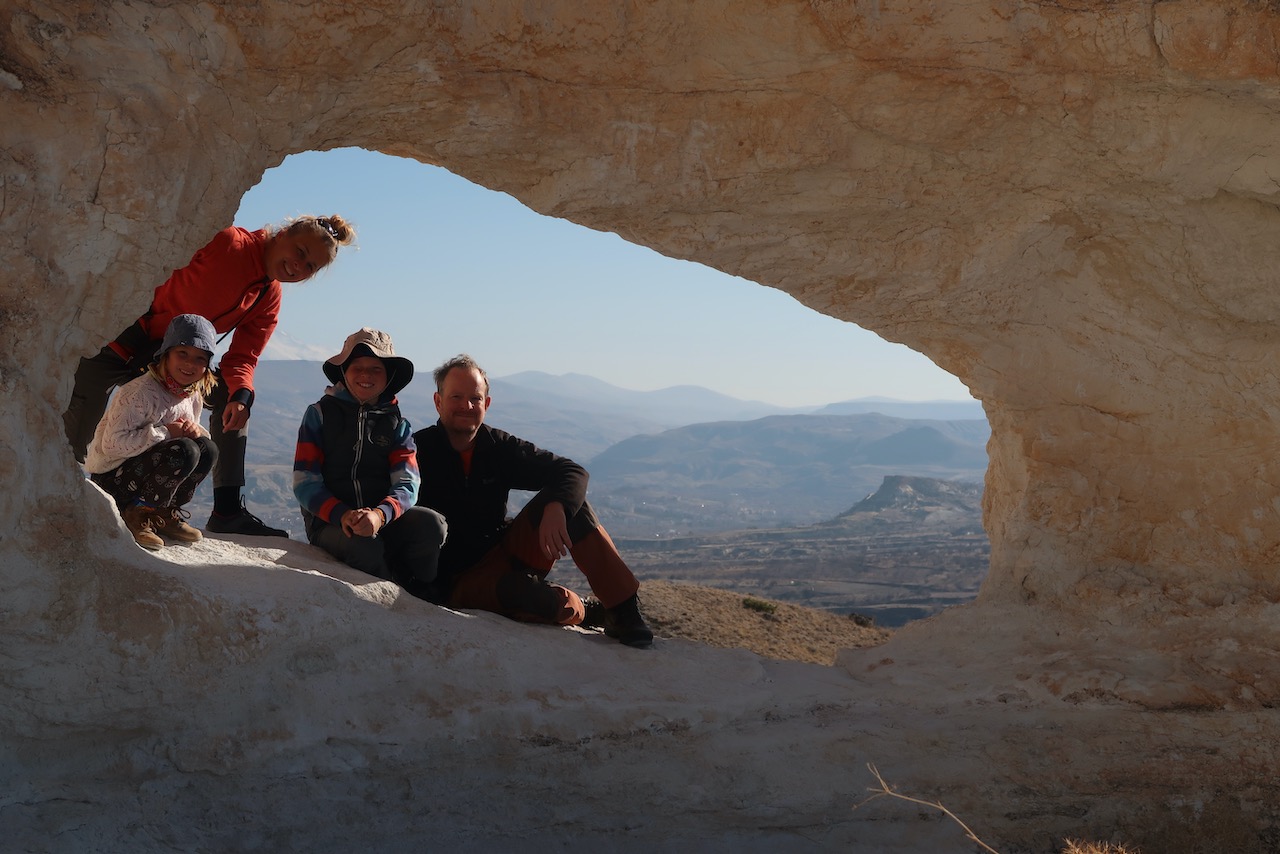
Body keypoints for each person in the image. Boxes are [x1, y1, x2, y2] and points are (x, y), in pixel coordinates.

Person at [63, 214, 357, 537]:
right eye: (301, 252)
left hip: (182, 361)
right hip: (130, 338)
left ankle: (227, 510)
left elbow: (243, 358)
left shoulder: (268, 296)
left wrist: (242, 395)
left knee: (234, 401)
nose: (298, 267)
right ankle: (61, 488)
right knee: (79, 408)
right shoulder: (227, 243)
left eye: (310, 267)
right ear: (283, 233)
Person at [412, 354, 654, 648]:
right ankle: (584, 609)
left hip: (504, 551)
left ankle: (622, 610)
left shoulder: (498, 446)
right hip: (459, 582)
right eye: (456, 397)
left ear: (486, 405)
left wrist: (557, 506)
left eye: (475, 398)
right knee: (527, 596)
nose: (467, 406)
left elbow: (572, 471)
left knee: (572, 506)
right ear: (438, 402)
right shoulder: (418, 451)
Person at [293, 328, 447, 590]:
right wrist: (343, 514)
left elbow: (408, 484)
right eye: (357, 367)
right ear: (344, 371)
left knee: (432, 525)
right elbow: (305, 482)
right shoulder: (319, 415)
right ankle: (388, 601)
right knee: (365, 546)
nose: (365, 375)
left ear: (389, 375)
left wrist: (379, 515)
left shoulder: (398, 425)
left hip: (380, 518)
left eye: (375, 369)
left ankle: (420, 594)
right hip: (330, 523)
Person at [84, 314, 220, 551]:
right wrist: (166, 432)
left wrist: (193, 431)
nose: (190, 364)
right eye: (183, 354)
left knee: (206, 448)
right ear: (166, 354)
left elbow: (188, 439)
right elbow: (112, 445)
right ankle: (137, 514)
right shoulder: (140, 393)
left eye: (200, 358)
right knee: (183, 450)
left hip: (146, 475)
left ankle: (164, 513)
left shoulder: (192, 395)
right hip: (113, 478)